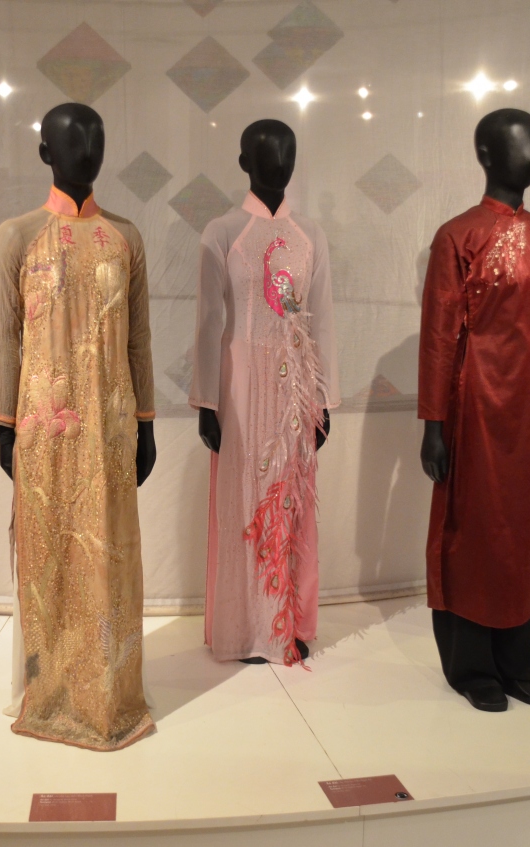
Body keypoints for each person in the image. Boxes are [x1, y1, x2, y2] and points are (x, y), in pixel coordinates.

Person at [0, 102, 157, 751]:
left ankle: (110, 689)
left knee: (110, 555)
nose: (86, 149)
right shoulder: (17, 235)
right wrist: (5, 427)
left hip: (110, 425)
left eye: (96, 138)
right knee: (51, 558)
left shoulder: (125, 237)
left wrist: (145, 422)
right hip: (46, 427)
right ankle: (52, 689)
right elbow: (5, 338)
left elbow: (139, 338)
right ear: (44, 153)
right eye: (71, 139)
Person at [418, 109, 530, 711]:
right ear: (485, 154)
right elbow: (439, 334)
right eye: (517, 144)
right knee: (475, 527)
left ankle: (517, 659)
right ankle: (472, 665)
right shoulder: (457, 235)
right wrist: (433, 424)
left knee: (527, 527)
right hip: (475, 397)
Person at [190, 119, 340, 667]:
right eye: (266, 152)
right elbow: (208, 322)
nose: (279, 162)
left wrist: (323, 399)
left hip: (294, 391)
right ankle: (241, 627)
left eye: (287, 152)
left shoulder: (310, 235)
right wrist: (207, 402)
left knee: (289, 498)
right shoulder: (222, 232)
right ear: (243, 162)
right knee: (241, 499)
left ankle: (285, 624)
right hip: (239, 387)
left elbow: (321, 319)